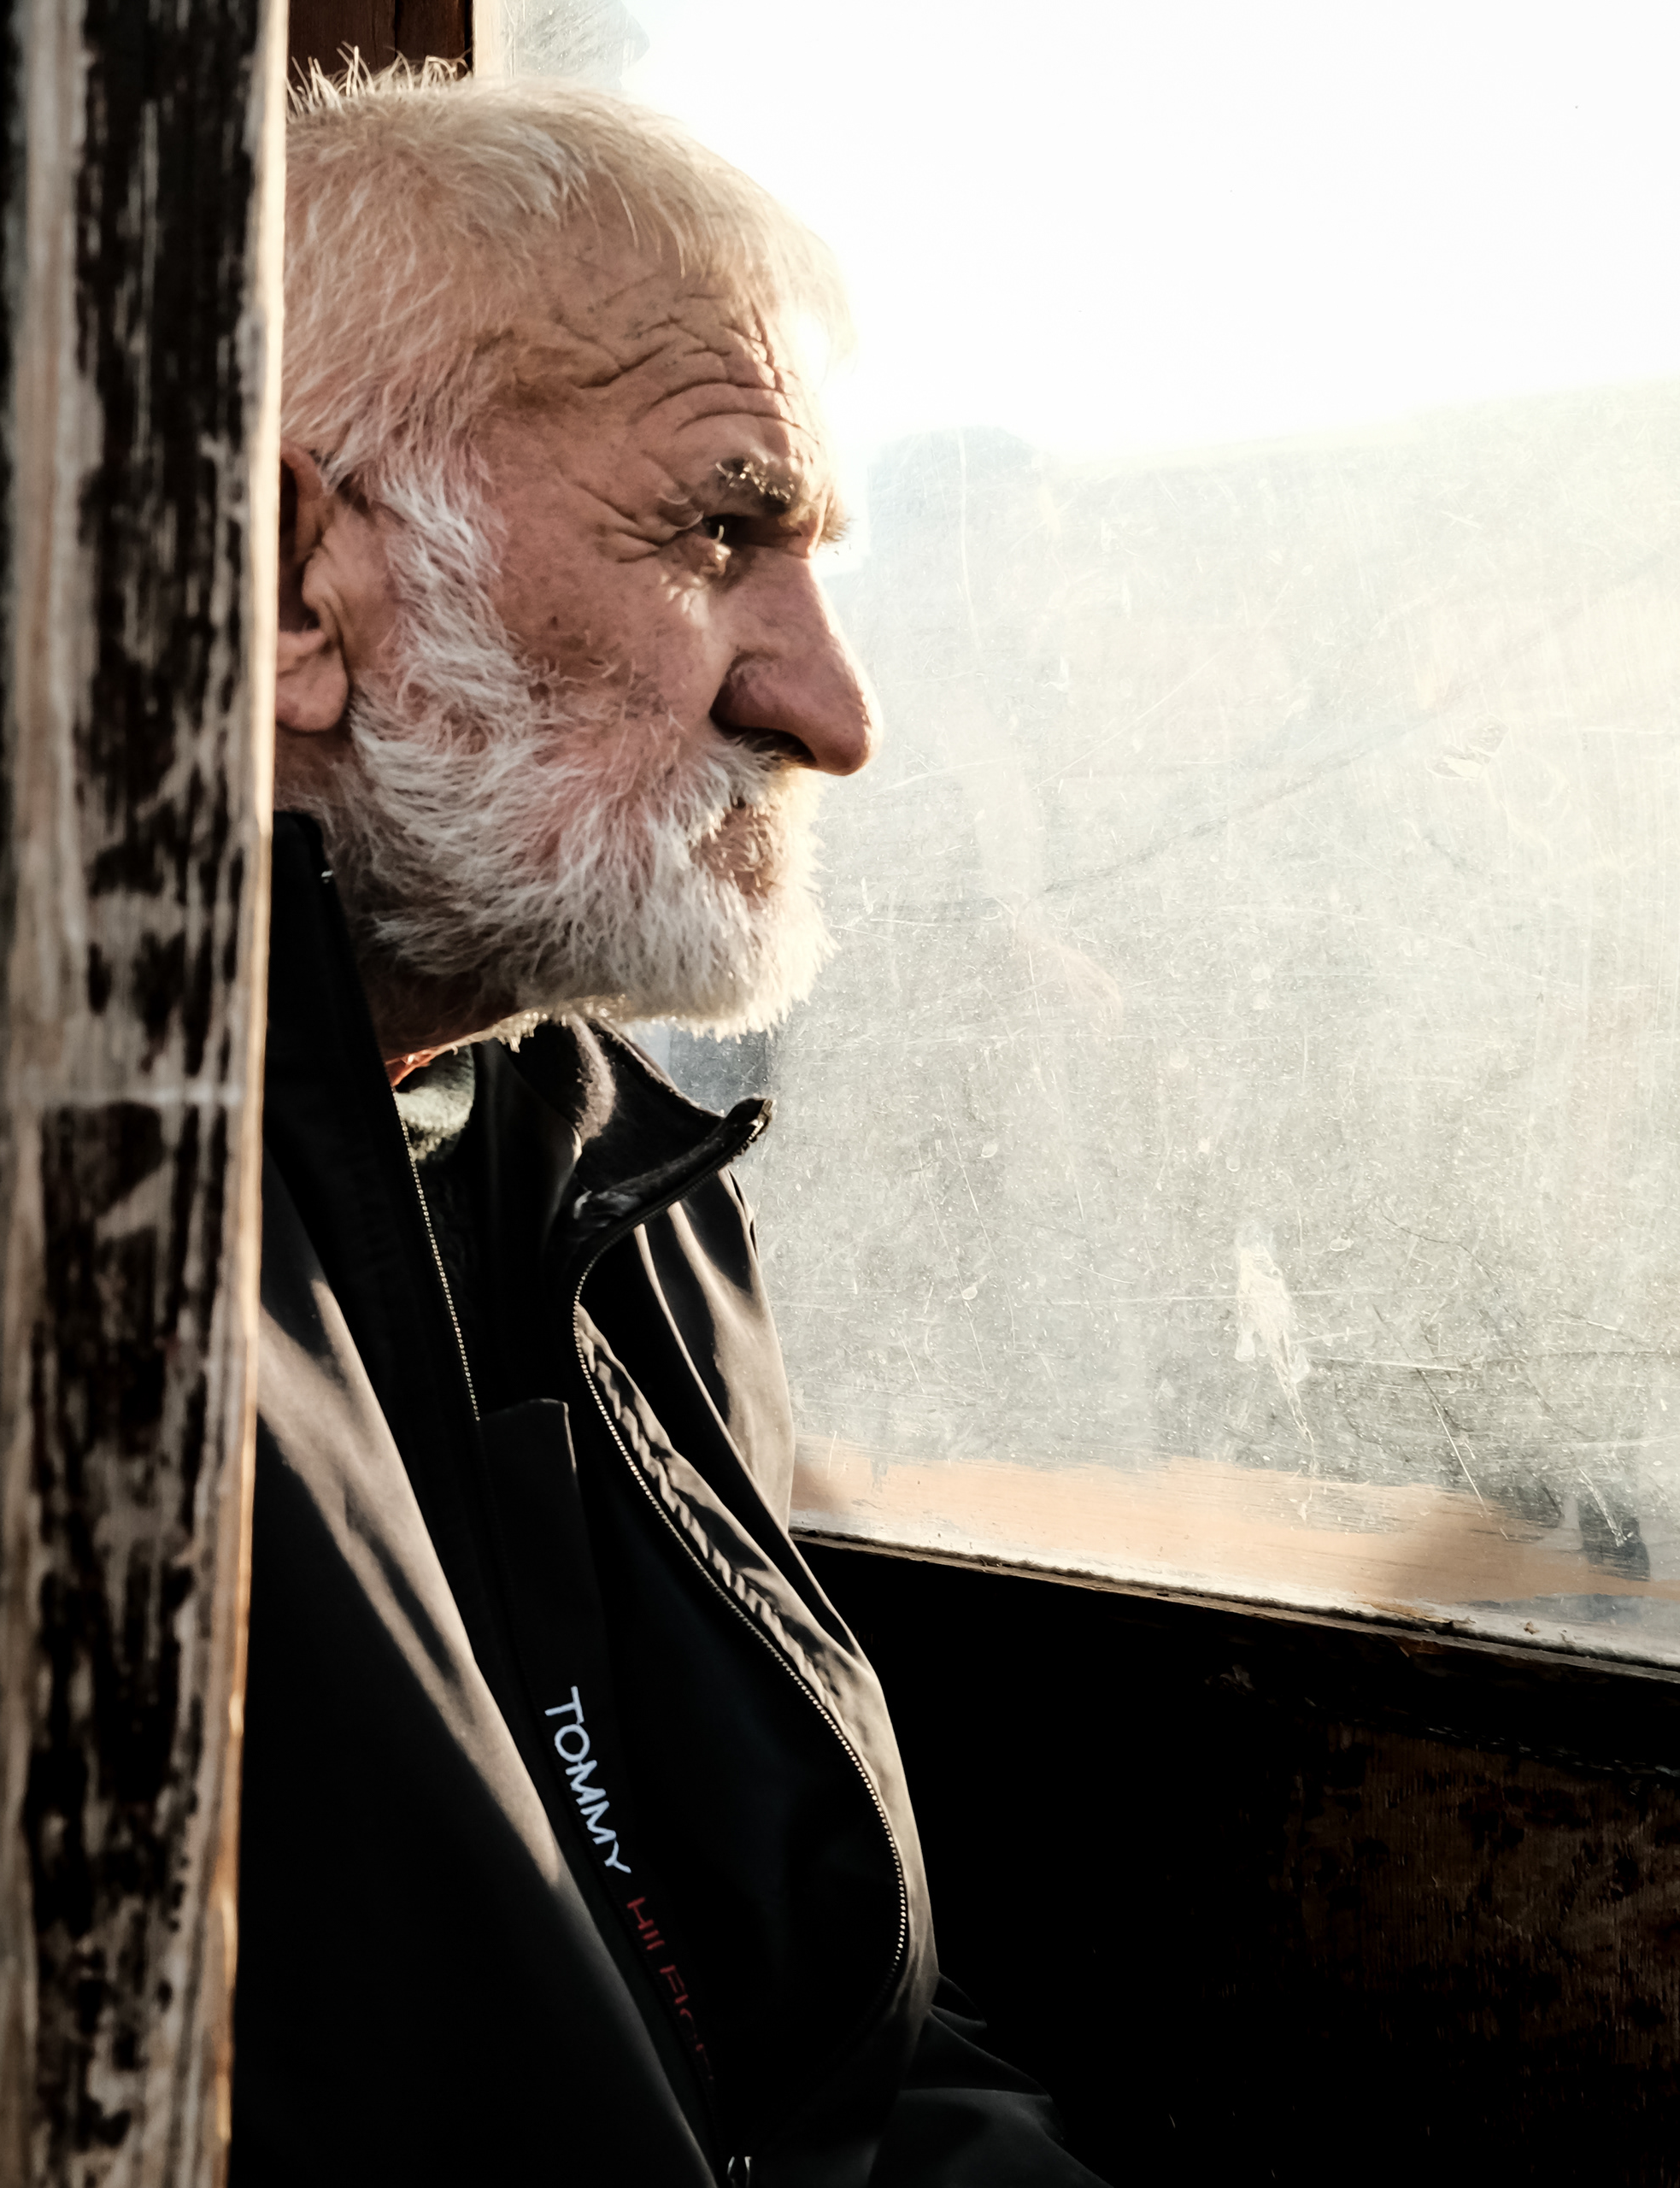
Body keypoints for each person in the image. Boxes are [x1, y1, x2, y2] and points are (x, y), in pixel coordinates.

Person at [231, 74, 1102, 2185]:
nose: (834, 710)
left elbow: (820, 2022)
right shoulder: (58, 1244)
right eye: (719, 531)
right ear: (286, 587)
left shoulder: (616, 1177)